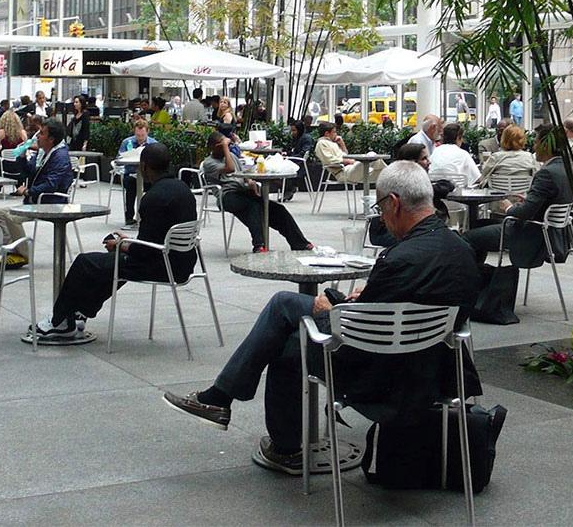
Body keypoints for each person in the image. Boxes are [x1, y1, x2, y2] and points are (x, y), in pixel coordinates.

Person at [163, 161, 482, 471]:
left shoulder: (399, 258)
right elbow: (405, 306)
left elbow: (362, 331)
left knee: (289, 334)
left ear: (395, 203)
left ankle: (267, 434)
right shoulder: (463, 249)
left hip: (383, 371)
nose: (383, 219)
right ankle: (223, 401)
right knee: (289, 314)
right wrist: (360, 300)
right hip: (435, 366)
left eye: (382, 210)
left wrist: (331, 310)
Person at [30, 142, 198, 340]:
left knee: (85, 262)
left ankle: (60, 322)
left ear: (143, 166)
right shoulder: (182, 189)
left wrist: (120, 245)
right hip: (183, 262)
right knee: (111, 266)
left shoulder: (152, 197)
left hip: (162, 266)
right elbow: (157, 238)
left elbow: (144, 252)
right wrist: (129, 243)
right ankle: (79, 313)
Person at [463, 123, 573, 266]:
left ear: (546, 146)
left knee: (468, 236)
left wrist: (509, 207)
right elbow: (548, 202)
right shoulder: (568, 168)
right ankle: (479, 277)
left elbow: (523, 213)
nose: (534, 147)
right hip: (552, 233)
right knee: (478, 225)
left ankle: (471, 278)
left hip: (530, 234)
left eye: (536, 142)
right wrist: (529, 200)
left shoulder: (547, 173)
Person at [201, 132, 313, 253]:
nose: (226, 147)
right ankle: (259, 245)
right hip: (227, 196)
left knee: (277, 210)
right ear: (212, 147)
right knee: (254, 207)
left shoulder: (232, 156)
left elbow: (242, 174)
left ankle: (300, 243)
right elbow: (230, 169)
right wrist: (225, 148)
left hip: (243, 192)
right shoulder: (209, 163)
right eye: (222, 145)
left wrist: (250, 181)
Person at [0, 119, 74, 269]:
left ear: (51, 139)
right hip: (36, 201)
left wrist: (29, 191)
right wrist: (22, 156)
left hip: (50, 203)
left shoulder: (60, 156)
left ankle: (24, 255)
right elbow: (27, 172)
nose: (37, 137)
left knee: (12, 217)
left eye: (41, 133)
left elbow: (51, 184)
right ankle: (13, 250)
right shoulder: (43, 153)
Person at [117, 119, 158, 228]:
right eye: (137, 135)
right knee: (130, 185)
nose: (140, 138)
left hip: (148, 176)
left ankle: (148, 216)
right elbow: (119, 158)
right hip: (131, 173)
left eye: (142, 135)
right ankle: (129, 218)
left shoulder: (153, 144)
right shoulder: (127, 142)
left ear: (147, 132)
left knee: (155, 188)